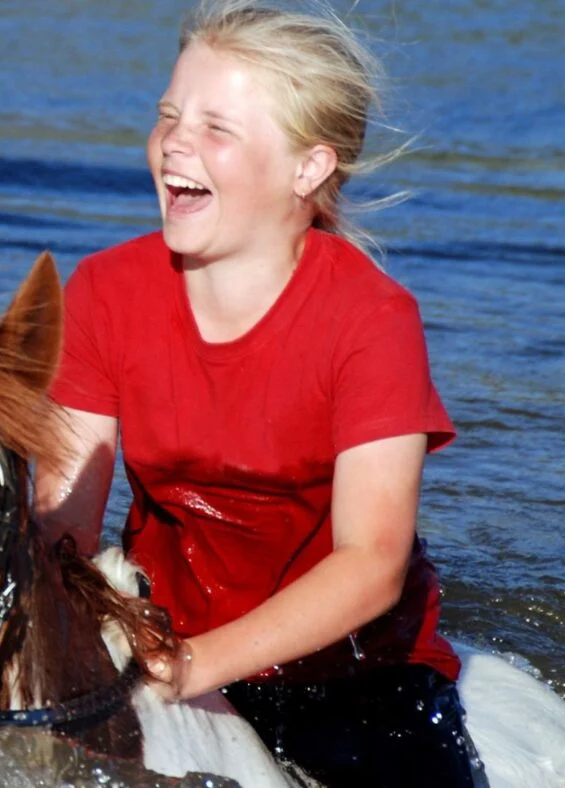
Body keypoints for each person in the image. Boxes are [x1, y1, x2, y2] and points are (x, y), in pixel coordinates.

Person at [34, 1, 477, 784]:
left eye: (216, 128)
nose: (175, 141)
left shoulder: (374, 320)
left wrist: (195, 664)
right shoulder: (104, 290)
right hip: (158, 640)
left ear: (308, 168)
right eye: (169, 115)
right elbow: (62, 525)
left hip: (356, 680)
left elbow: (372, 562)